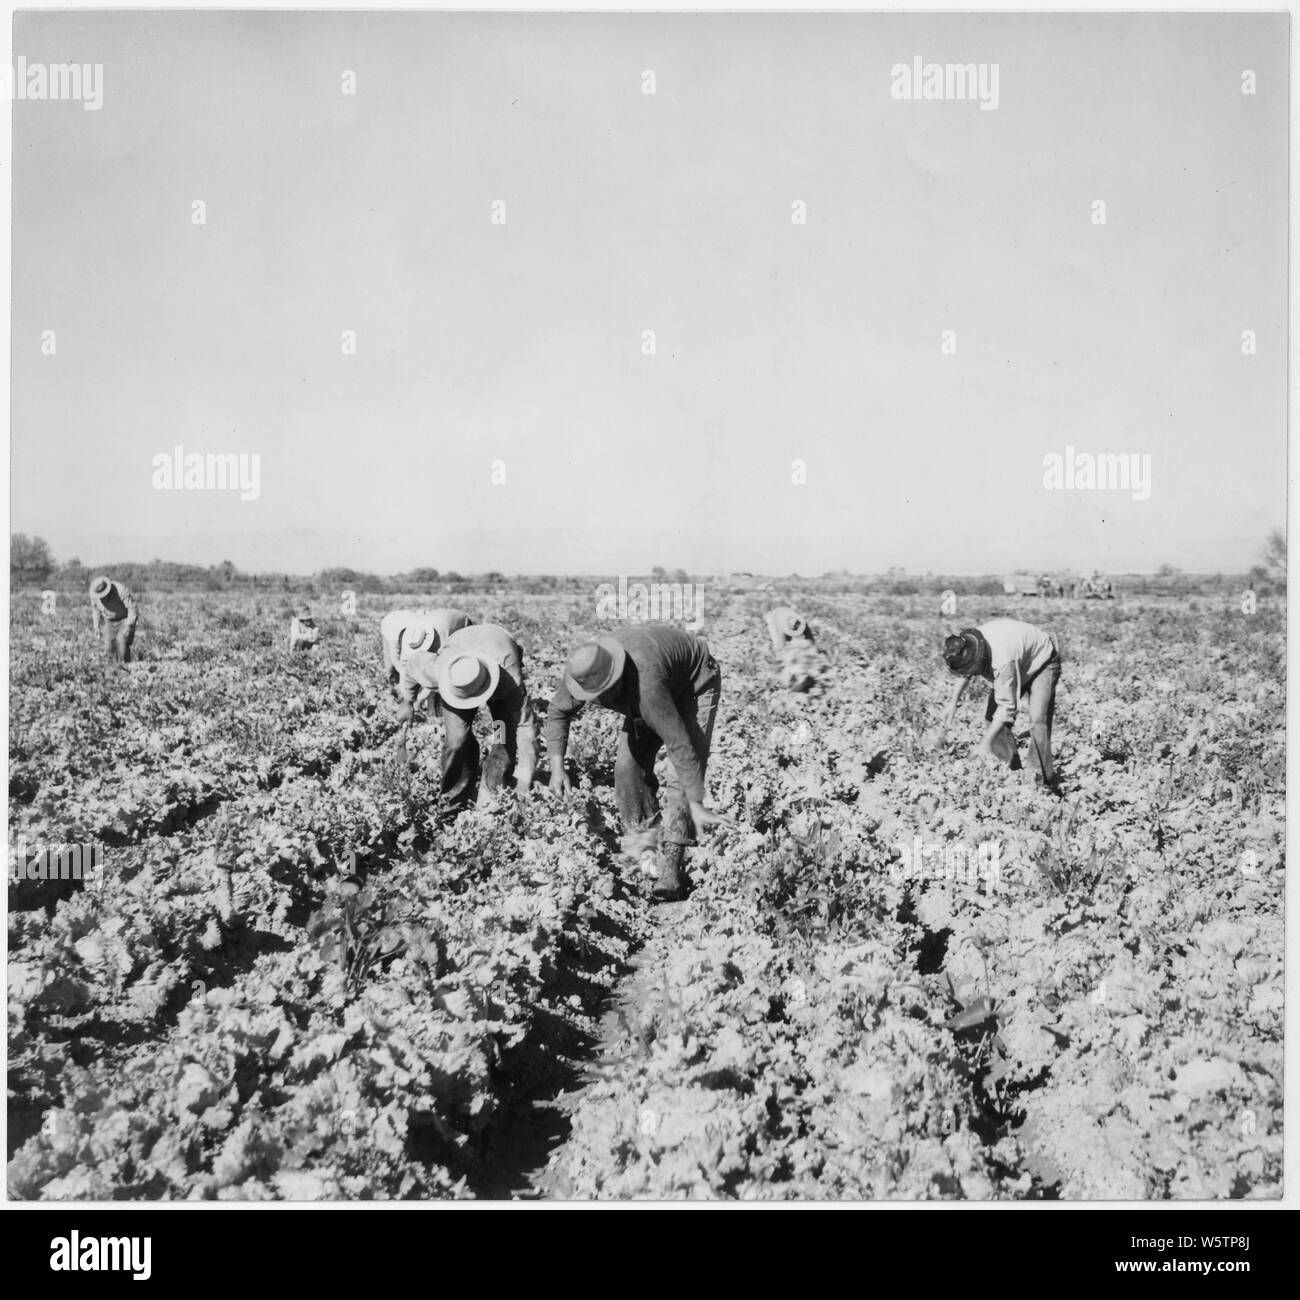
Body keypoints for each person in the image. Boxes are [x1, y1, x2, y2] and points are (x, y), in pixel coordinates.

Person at [545, 625, 732, 902]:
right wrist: (557, 767)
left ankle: (671, 865)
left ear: (617, 677)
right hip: (655, 681)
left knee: (680, 781)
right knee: (626, 768)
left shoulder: (647, 687)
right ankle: (645, 840)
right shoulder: (582, 672)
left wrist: (694, 802)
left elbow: (680, 747)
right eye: (596, 695)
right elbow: (557, 713)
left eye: (607, 691)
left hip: (694, 684)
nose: (603, 700)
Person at [399, 622, 537, 807]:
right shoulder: (440, 670)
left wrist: (524, 780)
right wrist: (407, 700)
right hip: (461, 652)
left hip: (499, 652)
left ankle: (493, 792)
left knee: (502, 736)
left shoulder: (509, 680)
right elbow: (413, 664)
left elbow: (525, 727)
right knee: (457, 739)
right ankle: (453, 799)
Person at [941, 619, 1061, 785]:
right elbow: (965, 671)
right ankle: (1011, 772)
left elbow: (1007, 708)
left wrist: (985, 743)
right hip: (1019, 656)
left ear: (978, 659)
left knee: (1038, 721)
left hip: (1043, 661)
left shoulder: (1002, 661)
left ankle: (1040, 781)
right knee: (992, 719)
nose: (970, 673)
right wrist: (953, 701)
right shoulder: (967, 643)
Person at [380, 608, 473, 689]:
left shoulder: (440, 637)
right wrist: (405, 686)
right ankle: (391, 686)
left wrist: (420, 696)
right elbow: (400, 665)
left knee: (458, 665)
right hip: (389, 622)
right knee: (390, 668)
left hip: (461, 623)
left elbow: (439, 668)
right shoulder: (395, 638)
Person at [89, 576, 139, 663]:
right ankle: (114, 671)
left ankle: (126, 668)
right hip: (109, 621)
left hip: (124, 619)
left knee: (121, 644)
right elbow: (95, 610)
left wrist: (129, 625)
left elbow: (132, 608)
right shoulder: (94, 595)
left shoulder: (121, 590)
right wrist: (96, 626)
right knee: (109, 649)